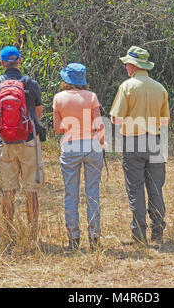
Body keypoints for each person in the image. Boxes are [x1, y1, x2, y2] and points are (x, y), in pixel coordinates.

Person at [110, 46, 170, 247]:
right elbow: (165, 122)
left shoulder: (127, 87)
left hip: (133, 142)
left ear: (134, 66)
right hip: (154, 140)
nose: (126, 66)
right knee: (155, 187)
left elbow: (116, 119)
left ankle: (139, 235)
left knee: (135, 189)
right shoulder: (160, 88)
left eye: (127, 63)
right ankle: (158, 232)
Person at [0, 46, 44, 249]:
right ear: (19, 61)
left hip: (5, 143)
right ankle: (32, 236)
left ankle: (7, 234)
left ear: (2, 63)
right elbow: (37, 114)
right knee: (31, 190)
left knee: (8, 191)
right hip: (29, 141)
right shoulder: (31, 84)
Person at [53, 63, 105, 252]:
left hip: (70, 147)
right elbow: (99, 125)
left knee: (71, 194)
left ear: (67, 79)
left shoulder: (58, 98)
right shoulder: (91, 97)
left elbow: (58, 129)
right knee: (92, 194)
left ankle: (73, 238)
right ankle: (94, 238)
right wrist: (102, 143)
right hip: (92, 145)